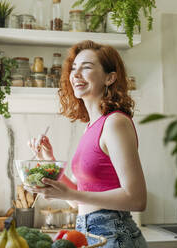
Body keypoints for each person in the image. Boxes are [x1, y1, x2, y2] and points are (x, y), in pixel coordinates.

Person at [27, 40, 147, 248]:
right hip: (87, 233)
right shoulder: (92, 126)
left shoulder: (115, 123)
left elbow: (137, 199)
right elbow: (78, 201)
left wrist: (72, 194)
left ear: (109, 78)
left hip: (115, 235)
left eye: (86, 67)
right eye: (74, 68)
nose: (75, 74)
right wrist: (49, 161)